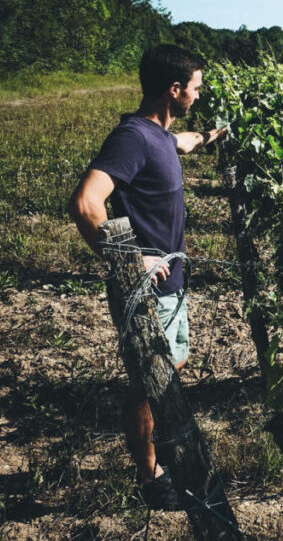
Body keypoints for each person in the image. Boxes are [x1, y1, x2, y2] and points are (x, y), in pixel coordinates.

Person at [68, 44, 226, 510]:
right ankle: (151, 477)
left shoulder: (161, 134)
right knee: (146, 384)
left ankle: (157, 454)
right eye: (195, 88)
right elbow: (85, 204)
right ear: (173, 90)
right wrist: (129, 259)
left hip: (170, 281)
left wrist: (215, 135)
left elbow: (185, 142)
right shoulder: (133, 138)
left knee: (168, 370)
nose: (199, 94)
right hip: (146, 288)